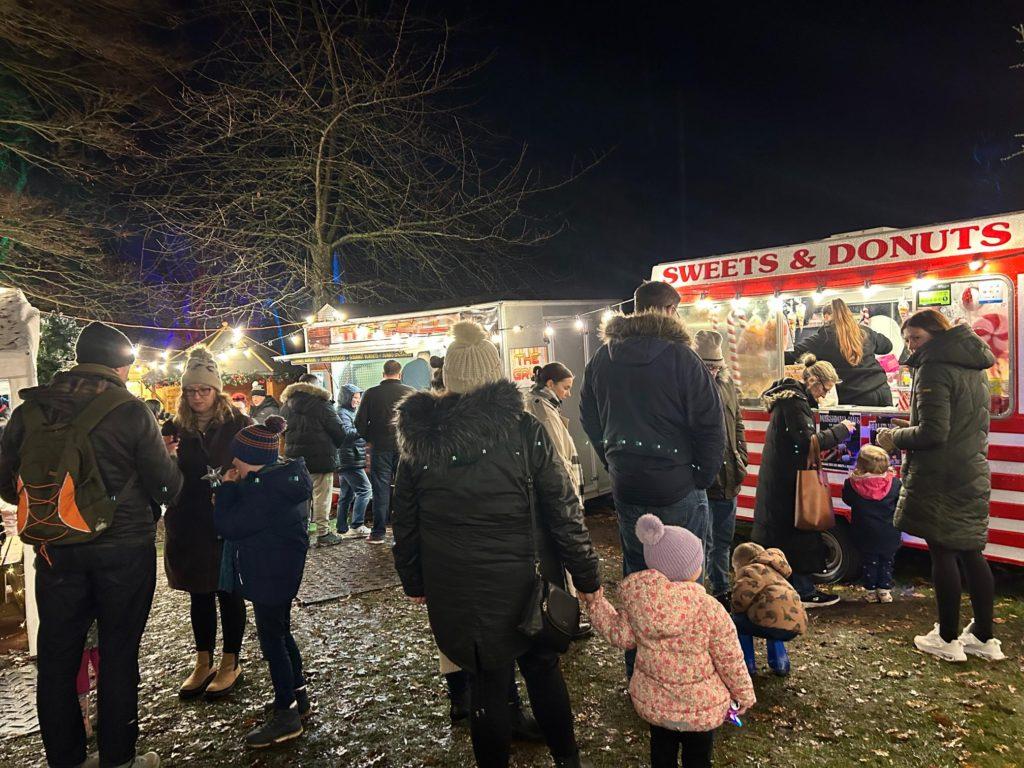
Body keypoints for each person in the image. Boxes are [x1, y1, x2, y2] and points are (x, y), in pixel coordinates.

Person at [392, 321, 601, 768]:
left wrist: (413, 579)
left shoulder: (417, 440)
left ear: (448, 378)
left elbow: (404, 520)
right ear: (494, 374)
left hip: (458, 584)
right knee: (543, 672)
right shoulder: (524, 428)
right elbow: (562, 507)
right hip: (529, 580)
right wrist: (586, 576)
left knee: (487, 680)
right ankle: (568, 760)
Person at [0, 321, 182, 768]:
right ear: (122, 365)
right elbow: (167, 489)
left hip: (55, 550)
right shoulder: (131, 410)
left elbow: (7, 486)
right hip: (123, 551)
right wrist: (170, 461)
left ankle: (65, 759)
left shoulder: (31, 410)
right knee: (119, 653)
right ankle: (118, 758)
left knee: (58, 659)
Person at [580, 280, 724, 677]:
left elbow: (589, 416)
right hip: (677, 485)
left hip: (629, 485)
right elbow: (711, 425)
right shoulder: (682, 357)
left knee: (638, 578)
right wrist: (700, 476)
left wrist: (614, 461)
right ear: (667, 311)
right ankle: (688, 671)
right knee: (688, 580)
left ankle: (640, 670)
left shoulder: (602, 358)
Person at [876, 309, 1004, 662]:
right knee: (972, 551)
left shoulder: (934, 367)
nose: (911, 345)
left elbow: (934, 432)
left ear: (936, 334)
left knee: (943, 552)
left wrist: (894, 436)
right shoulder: (973, 365)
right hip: (971, 469)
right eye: (907, 339)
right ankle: (983, 636)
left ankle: (947, 638)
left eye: (916, 337)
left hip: (941, 474)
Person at [590, 515, 755, 768]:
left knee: (662, 755)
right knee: (698, 760)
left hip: (657, 706)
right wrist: (743, 693)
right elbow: (729, 658)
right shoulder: (709, 609)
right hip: (701, 707)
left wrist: (596, 604)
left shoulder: (640, 607)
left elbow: (618, 634)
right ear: (690, 569)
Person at [213, 416, 313, 748]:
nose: (233, 463)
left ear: (250, 460)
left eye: (236, 457)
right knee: (282, 633)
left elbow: (229, 526)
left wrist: (226, 489)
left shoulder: (264, 493)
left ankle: (286, 714)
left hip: (268, 574)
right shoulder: (282, 480)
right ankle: (298, 695)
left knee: (273, 642)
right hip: (281, 571)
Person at [163, 347, 251, 701]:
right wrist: (165, 455)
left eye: (204, 390)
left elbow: (259, 466)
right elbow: (162, 476)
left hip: (226, 520)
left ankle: (231, 659)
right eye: (191, 391)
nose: (197, 397)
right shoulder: (173, 427)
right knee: (198, 593)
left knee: (229, 591)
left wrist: (238, 484)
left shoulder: (238, 425)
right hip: (188, 521)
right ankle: (203, 659)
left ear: (218, 391)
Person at [753, 358, 855, 609]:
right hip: (790, 481)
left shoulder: (788, 399)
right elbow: (806, 442)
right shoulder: (795, 402)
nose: (825, 394)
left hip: (780, 479)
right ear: (812, 381)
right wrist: (841, 430)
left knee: (782, 534)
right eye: (824, 388)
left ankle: (788, 586)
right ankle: (803, 590)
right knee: (796, 534)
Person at [695, 330, 748, 605]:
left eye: (716, 366)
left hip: (730, 474)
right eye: (707, 366)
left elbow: (738, 421)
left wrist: (742, 455)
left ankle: (721, 587)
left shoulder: (728, 386)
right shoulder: (689, 388)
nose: (713, 371)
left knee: (723, 539)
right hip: (703, 477)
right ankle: (701, 593)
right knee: (701, 540)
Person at [784, 297, 893, 406]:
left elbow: (794, 354)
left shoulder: (823, 338)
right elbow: (887, 346)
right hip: (883, 391)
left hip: (856, 397)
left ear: (827, 317)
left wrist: (771, 353)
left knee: (849, 424)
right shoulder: (864, 332)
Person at [280, 373, 347, 547]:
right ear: (315, 386)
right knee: (321, 497)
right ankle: (323, 533)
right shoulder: (322, 404)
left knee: (302, 497)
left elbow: (281, 432)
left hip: (294, 460)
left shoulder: (286, 405)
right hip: (321, 459)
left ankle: (301, 532)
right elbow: (339, 431)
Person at [356, 360, 414, 545]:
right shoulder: (410, 392)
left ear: (383, 373)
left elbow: (359, 423)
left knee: (380, 490)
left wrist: (370, 438)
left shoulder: (371, 393)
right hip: (404, 448)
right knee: (406, 489)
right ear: (400, 373)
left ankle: (379, 533)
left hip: (380, 447)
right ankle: (405, 532)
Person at [730, 542, 808, 677]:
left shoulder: (750, 571)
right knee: (773, 618)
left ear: (740, 564)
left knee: (737, 622)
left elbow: (741, 598)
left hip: (771, 622)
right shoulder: (776, 572)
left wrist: (734, 609)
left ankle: (747, 665)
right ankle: (781, 664)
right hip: (795, 625)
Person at [841, 445, 901, 603]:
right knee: (887, 561)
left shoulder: (852, 484)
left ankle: (870, 592)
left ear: (860, 464)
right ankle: (885, 591)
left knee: (869, 561)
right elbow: (899, 503)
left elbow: (847, 500)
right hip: (889, 531)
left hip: (864, 532)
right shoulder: (895, 484)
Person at [336, 383, 372, 538]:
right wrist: (365, 428)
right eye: (355, 397)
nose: (358, 400)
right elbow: (347, 433)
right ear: (347, 398)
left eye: (359, 397)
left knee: (347, 495)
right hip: (350, 458)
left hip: (348, 458)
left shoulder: (348, 412)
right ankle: (357, 525)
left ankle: (342, 528)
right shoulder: (343, 412)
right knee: (365, 490)